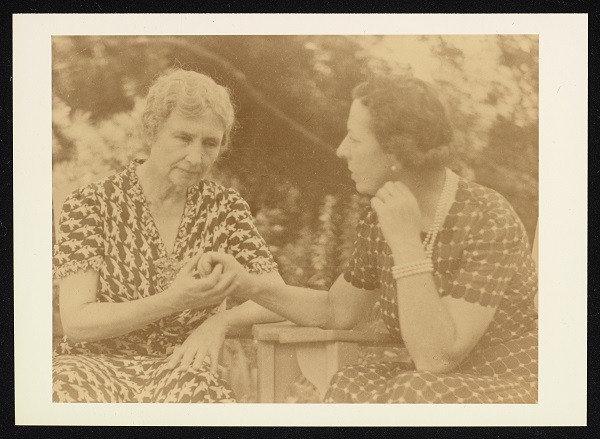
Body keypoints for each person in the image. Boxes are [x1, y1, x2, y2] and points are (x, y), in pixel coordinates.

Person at [199, 76, 538, 403]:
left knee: (412, 393)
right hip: (427, 383)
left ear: (395, 153)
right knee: (354, 382)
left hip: (508, 383)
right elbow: (337, 310)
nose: (341, 150)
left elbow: (437, 358)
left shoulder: (488, 218)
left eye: (355, 139)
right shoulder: (381, 214)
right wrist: (245, 283)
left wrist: (406, 243)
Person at [52, 69, 284, 402]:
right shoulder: (92, 204)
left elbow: (275, 296)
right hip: (91, 367)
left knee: (206, 402)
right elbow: (77, 321)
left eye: (210, 143)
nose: (195, 158)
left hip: (182, 371)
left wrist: (220, 322)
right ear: (151, 131)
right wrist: (174, 300)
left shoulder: (225, 208)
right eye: (183, 138)